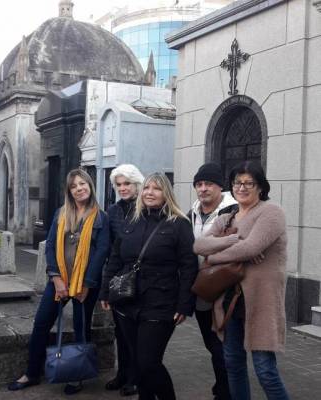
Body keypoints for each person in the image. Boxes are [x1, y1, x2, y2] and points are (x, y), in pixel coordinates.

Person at [193, 161, 290, 400]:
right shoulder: (228, 215)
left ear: (260, 187)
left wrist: (214, 257)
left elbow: (251, 248)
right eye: (238, 183)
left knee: (265, 369)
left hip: (260, 301)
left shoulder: (271, 212)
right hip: (229, 301)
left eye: (249, 183)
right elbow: (199, 245)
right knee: (233, 364)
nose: (242, 187)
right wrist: (234, 240)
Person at [8, 169, 110, 395]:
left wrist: (87, 284)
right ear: (69, 191)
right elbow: (52, 245)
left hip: (85, 284)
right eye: (74, 186)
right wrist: (55, 277)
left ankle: (78, 375)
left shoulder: (101, 218)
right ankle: (32, 373)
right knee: (42, 323)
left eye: (83, 184)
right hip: (60, 281)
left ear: (90, 186)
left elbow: (102, 251)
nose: (79, 188)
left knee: (82, 328)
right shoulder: (61, 214)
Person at [100, 172, 198, 400]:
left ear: (166, 194)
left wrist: (185, 305)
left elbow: (189, 267)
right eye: (146, 188)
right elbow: (115, 258)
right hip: (126, 302)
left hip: (160, 304)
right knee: (138, 361)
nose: (149, 193)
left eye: (156, 188)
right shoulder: (130, 221)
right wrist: (105, 290)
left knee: (148, 362)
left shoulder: (179, 224)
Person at [188, 162, 236, 400]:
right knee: (211, 344)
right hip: (201, 288)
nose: (203, 189)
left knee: (222, 346)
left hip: (226, 290)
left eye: (208, 184)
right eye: (199, 184)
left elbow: (238, 247)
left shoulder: (233, 211)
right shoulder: (192, 212)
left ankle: (226, 392)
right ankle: (223, 385)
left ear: (220, 187)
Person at [104, 164, 144, 397]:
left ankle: (135, 378)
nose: (122, 188)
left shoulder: (146, 208)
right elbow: (110, 248)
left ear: (136, 183)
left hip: (141, 278)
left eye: (127, 183)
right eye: (118, 185)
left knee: (136, 334)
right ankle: (122, 374)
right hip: (119, 278)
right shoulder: (113, 211)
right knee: (120, 331)